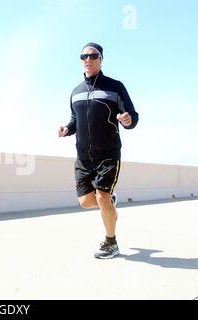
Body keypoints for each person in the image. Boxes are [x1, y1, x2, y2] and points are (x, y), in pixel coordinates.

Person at [58, 43, 139, 259]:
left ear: (101, 59)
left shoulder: (115, 87)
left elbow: (132, 115)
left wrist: (128, 120)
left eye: (93, 55)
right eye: (84, 55)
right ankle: (110, 205)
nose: (88, 59)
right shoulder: (75, 92)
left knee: (102, 195)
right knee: (85, 202)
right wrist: (67, 129)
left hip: (109, 153)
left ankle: (110, 242)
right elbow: (75, 119)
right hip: (83, 157)